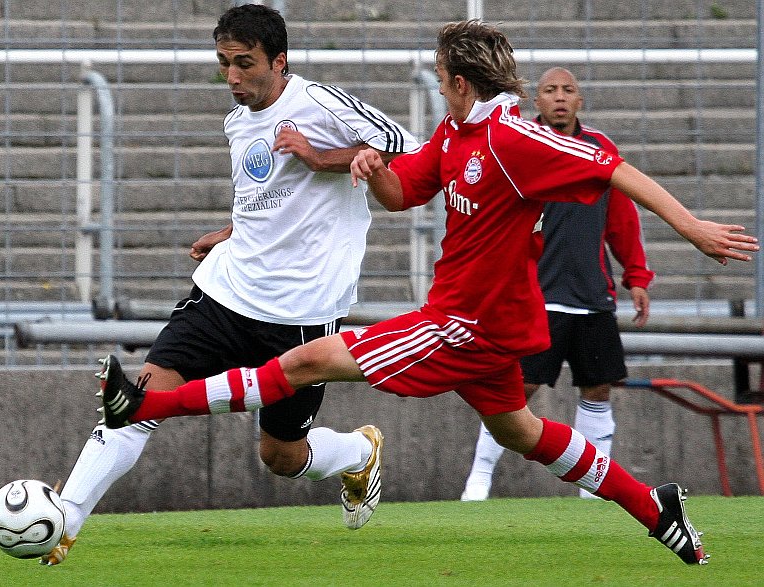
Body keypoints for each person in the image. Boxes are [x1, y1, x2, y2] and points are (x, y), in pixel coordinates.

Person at [95, 19, 759, 565]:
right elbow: (403, 191)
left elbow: (614, 167)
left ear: (461, 83)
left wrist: (690, 225)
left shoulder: (511, 138)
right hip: (489, 324)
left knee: (306, 362)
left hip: (463, 323)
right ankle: (655, 504)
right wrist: (371, 166)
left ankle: (147, 404)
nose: (438, 89)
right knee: (524, 431)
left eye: (442, 80)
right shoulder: (458, 134)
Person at [42, 4, 419, 565]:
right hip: (224, 294)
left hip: (301, 315)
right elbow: (263, 202)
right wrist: (229, 232)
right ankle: (63, 519)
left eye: (245, 63)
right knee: (138, 399)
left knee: (281, 457)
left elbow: (407, 147)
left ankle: (356, 451)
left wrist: (321, 157)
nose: (233, 77)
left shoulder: (317, 103)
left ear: (280, 61)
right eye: (224, 63)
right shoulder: (238, 120)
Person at [460, 67, 655, 502]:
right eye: (551, 90)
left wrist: (636, 275)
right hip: (536, 299)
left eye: (569, 90)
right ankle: (480, 479)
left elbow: (622, 219)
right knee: (515, 393)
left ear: (580, 101)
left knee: (597, 390)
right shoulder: (522, 148)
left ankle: (593, 491)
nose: (560, 97)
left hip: (592, 297)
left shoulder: (600, 150)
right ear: (537, 101)